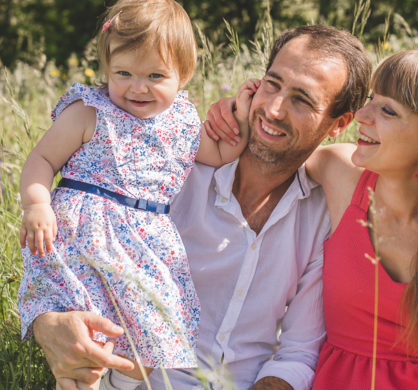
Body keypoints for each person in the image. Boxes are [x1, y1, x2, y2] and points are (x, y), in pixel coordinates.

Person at [29, 25, 372, 389]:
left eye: (302, 99)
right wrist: (47, 322)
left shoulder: (325, 212)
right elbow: (75, 243)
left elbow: (298, 355)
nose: (273, 109)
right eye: (272, 84)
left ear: (339, 124)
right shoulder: (170, 165)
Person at [211, 50, 418, 389]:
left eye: (387, 110)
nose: (362, 115)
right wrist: (230, 115)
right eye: (372, 99)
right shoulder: (340, 175)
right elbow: (274, 141)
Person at [17, 0, 252, 390]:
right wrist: (36, 204)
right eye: (123, 73)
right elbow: (41, 160)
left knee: (147, 338)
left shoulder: (182, 122)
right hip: (83, 236)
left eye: (155, 76)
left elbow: (221, 151)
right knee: (86, 329)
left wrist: (243, 110)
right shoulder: (90, 112)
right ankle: (76, 380)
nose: (137, 88)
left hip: (145, 245)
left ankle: (119, 382)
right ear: (107, 67)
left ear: (184, 75)